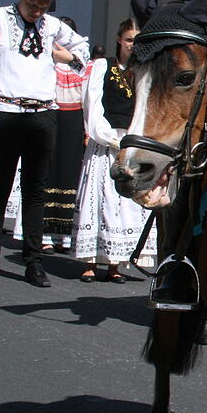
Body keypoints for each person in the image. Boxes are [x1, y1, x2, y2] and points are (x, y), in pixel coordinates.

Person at [0, 0, 89, 289]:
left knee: (35, 191)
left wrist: (67, 56)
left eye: (44, 6)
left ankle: (34, 262)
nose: (37, 11)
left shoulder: (52, 25)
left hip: (42, 113)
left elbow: (83, 50)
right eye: (33, 5)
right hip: (5, 110)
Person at [71, 18, 155, 283]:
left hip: (132, 142)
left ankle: (115, 264)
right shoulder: (102, 66)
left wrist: (135, 139)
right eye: (129, 39)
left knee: (125, 203)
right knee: (100, 199)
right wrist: (108, 136)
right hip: (106, 142)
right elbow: (92, 104)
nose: (132, 45)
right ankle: (90, 262)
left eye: (137, 41)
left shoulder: (144, 71)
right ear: (119, 40)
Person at [41, 16, 90, 253]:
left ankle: (63, 235)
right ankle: (44, 235)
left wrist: (88, 129)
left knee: (70, 176)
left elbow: (89, 97)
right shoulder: (46, 60)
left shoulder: (80, 64)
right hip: (51, 114)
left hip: (73, 119)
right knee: (48, 173)